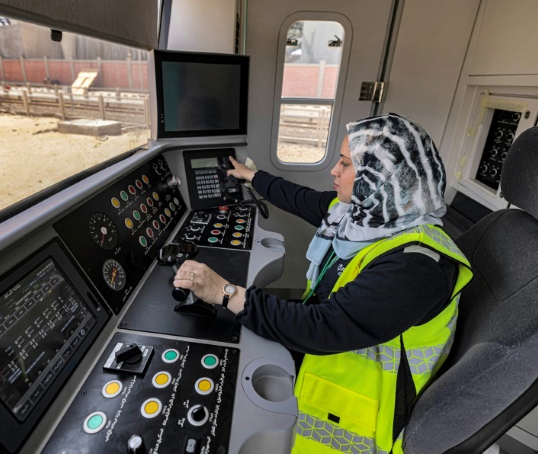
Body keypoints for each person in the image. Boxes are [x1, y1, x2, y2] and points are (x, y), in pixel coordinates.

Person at [173, 113, 473, 454]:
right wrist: (253, 177)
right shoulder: (365, 215)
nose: (334, 171)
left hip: (355, 419)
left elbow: (323, 328)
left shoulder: (417, 265)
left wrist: (224, 292)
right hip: (324, 366)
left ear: (380, 178)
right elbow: (304, 199)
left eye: (345, 164)